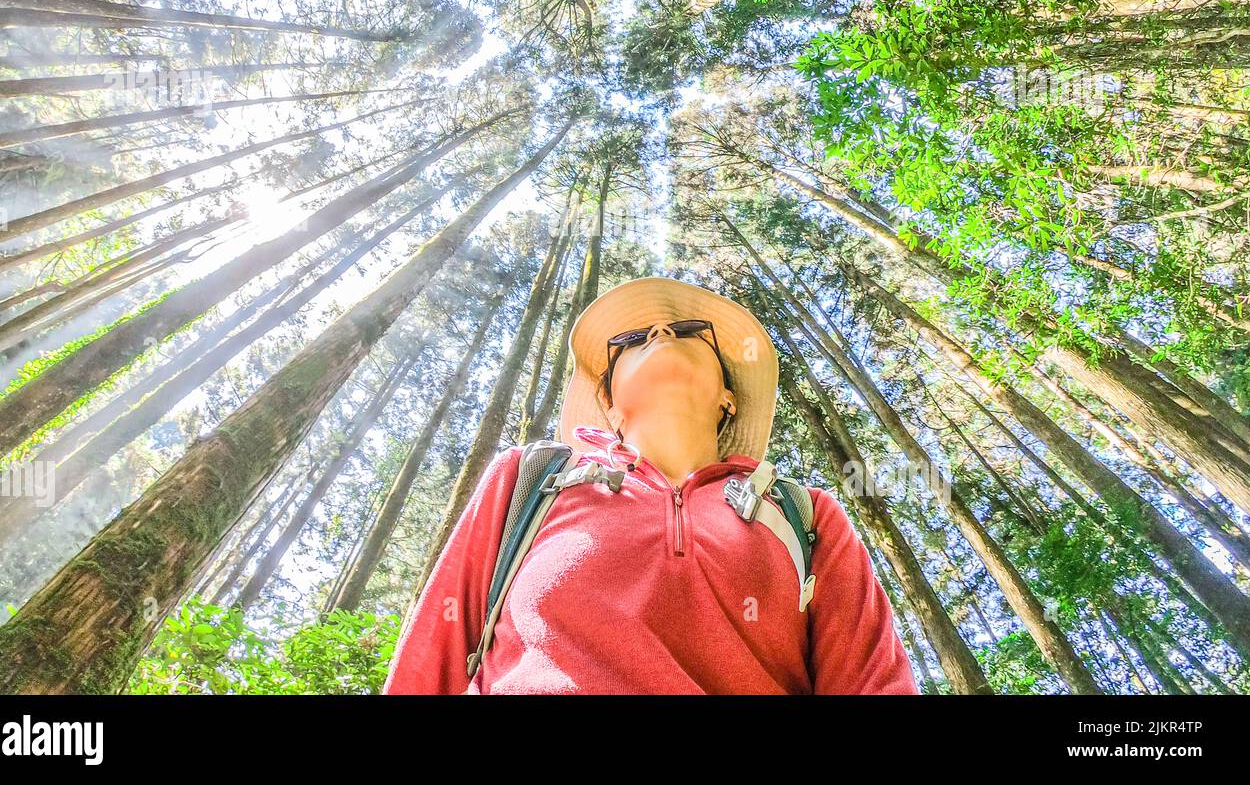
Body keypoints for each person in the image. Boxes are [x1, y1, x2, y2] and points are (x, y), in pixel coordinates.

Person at [384, 276, 919, 694]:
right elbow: (432, 660)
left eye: (688, 330)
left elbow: (873, 682)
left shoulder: (806, 513)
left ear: (728, 399)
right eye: (632, 339)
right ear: (610, 408)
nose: (661, 333)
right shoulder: (530, 480)